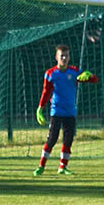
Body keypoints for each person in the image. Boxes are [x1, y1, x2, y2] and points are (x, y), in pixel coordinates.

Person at [33, 44, 97, 176]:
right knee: (52, 139)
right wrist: (40, 108)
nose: (64, 58)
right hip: (56, 111)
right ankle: (41, 166)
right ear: (56, 57)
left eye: (66, 55)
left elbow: (94, 80)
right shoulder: (50, 73)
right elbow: (46, 92)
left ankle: (62, 167)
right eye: (61, 56)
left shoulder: (74, 71)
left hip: (70, 112)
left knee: (68, 140)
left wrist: (89, 75)